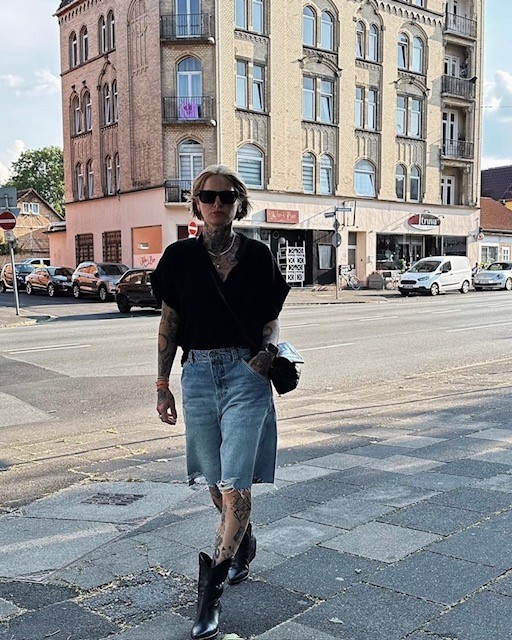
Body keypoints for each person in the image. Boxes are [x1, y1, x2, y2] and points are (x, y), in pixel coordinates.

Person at [151, 165, 290, 640]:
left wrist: (268, 353)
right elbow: (168, 324)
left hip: (245, 375)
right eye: (208, 197)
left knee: (234, 486)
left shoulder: (257, 256)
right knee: (215, 482)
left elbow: (271, 320)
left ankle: (210, 593)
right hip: (198, 376)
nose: (217, 204)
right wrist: (162, 384)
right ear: (196, 203)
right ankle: (241, 539)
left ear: (238, 204)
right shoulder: (177, 259)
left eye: (226, 197)